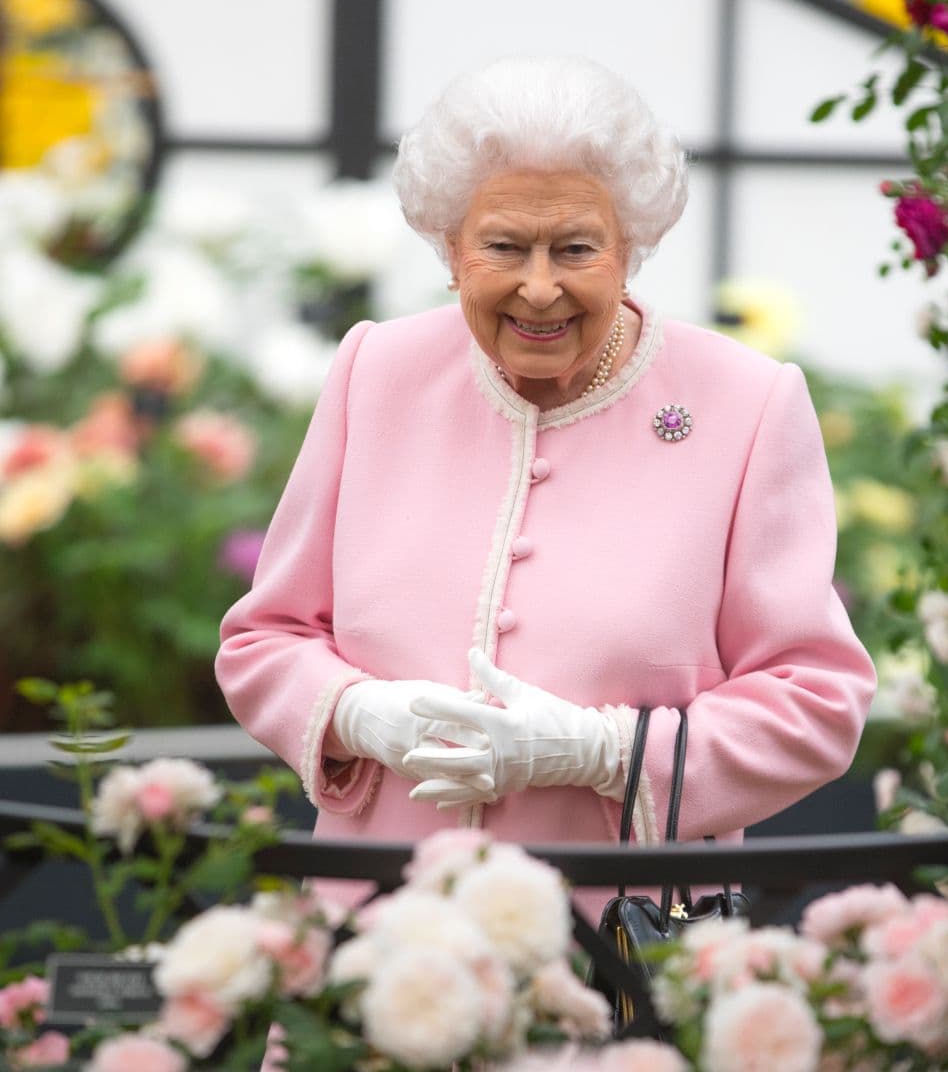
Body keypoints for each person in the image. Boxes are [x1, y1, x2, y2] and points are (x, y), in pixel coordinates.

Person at [215, 56, 877, 920]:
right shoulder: (375, 371)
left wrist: (607, 752)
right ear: (450, 249)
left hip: (616, 941)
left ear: (630, 247)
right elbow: (265, 639)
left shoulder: (747, 404)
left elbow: (816, 699)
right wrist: (356, 713)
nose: (539, 286)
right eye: (502, 246)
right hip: (377, 937)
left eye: (575, 248)